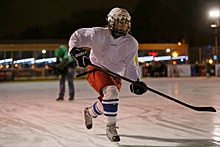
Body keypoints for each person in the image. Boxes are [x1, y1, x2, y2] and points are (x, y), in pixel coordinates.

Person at [69, 7, 147, 142]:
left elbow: (130, 64)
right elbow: (78, 35)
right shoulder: (98, 33)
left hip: (116, 74)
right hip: (97, 69)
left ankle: (89, 112)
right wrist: (75, 51)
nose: (123, 25)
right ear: (111, 22)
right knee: (111, 93)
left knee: (106, 100)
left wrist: (136, 81)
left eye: (125, 22)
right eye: (119, 22)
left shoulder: (131, 42)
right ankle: (111, 127)